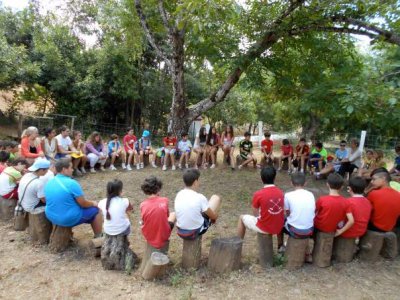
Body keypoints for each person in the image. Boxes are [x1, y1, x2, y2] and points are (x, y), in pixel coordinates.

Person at [45, 158, 102, 236]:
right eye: (71, 167)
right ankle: (99, 236)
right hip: (66, 219)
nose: (72, 170)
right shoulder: (72, 183)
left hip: (51, 216)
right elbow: (83, 203)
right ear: (64, 169)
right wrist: (93, 203)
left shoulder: (50, 182)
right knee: (96, 210)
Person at [237, 167, 284, 241]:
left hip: (265, 227)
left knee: (241, 218)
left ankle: (238, 244)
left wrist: (261, 217)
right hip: (279, 226)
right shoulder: (281, 192)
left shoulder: (258, 194)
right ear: (275, 178)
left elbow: (255, 213)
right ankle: (280, 246)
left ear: (261, 178)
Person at [175, 169, 221, 240]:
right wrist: (215, 217)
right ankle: (210, 222)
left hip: (180, 231)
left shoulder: (179, 194)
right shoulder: (200, 197)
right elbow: (212, 216)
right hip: (194, 232)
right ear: (195, 182)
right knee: (216, 198)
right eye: (199, 180)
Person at [277, 173, 315, 252]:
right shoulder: (311, 194)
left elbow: (287, 212)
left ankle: (280, 247)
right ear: (305, 183)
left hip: (295, 231)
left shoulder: (288, 195)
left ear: (291, 183)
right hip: (310, 230)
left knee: (279, 221)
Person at [140, 176, 176, 249]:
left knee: (142, 222)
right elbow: (167, 216)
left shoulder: (142, 205)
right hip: (164, 236)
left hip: (149, 236)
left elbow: (144, 219)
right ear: (158, 189)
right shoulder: (165, 200)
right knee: (173, 214)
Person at [366, 168, 400, 233]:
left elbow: (366, 210)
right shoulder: (398, 194)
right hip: (390, 228)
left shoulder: (374, 193)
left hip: (374, 227)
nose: (371, 182)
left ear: (383, 179)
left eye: (374, 179)